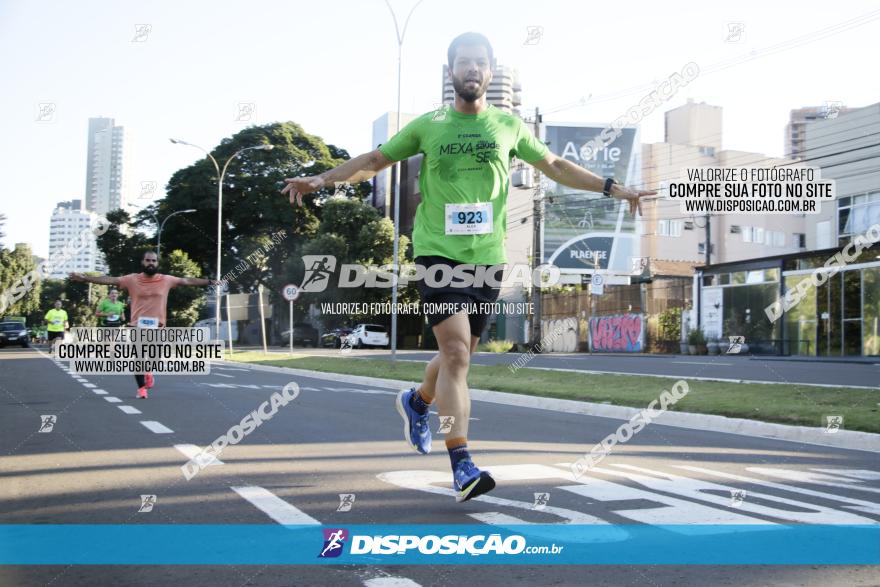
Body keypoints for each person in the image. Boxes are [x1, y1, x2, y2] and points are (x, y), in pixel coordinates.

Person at [281, 32, 654, 502]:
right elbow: (375, 160)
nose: (472, 70)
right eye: (464, 63)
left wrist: (615, 188)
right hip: (437, 251)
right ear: (451, 72)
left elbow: (556, 165)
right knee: (457, 354)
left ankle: (417, 402)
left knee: (460, 355)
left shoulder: (508, 125)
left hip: (487, 258)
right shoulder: (430, 124)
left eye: (480, 63)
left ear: (490, 73)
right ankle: (462, 465)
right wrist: (322, 178)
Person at [70, 251, 218, 399]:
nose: (151, 263)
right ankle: (141, 389)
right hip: (137, 326)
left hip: (158, 327)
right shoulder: (132, 279)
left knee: (156, 358)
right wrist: (84, 278)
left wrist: (210, 281)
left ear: (157, 263)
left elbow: (187, 281)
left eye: (154, 261)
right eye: (148, 260)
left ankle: (149, 371)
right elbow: (110, 279)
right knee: (139, 357)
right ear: (143, 262)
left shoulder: (166, 280)